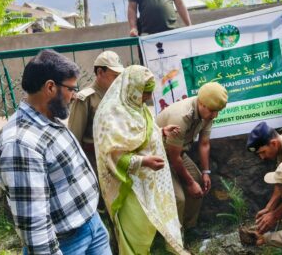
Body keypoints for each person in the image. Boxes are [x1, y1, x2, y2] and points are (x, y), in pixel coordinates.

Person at [0, 49, 111, 255]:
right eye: (72, 89)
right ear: (51, 87)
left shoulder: (47, 119)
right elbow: (35, 226)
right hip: (67, 244)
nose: (74, 96)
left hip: (91, 225)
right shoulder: (21, 144)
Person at [93, 65, 189, 255]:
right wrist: (143, 162)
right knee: (135, 231)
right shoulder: (110, 114)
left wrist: (160, 132)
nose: (147, 98)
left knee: (147, 227)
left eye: (149, 93)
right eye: (144, 93)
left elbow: (141, 135)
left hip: (149, 181)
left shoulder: (138, 107)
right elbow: (111, 155)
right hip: (128, 186)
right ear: (132, 88)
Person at [156, 82, 228, 239]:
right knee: (179, 197)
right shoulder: (181, 116)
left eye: (218, 112)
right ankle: (175, 237)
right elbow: (173, 157)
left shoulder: (208, 110)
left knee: (199, 184)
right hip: (158, 156)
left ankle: (189, 228)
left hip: (179, 152)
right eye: (212, 111)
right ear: (201, 103)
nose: (215, 116)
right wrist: (189, 183)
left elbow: (204, 143)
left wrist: (206, 172)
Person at [69, 50, 124, 172]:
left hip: (118, 159)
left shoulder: (119, 95)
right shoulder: (86, 98)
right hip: (94, 161)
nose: (119, 80)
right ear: (100, 72)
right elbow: (75, 136)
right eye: (115, 76)